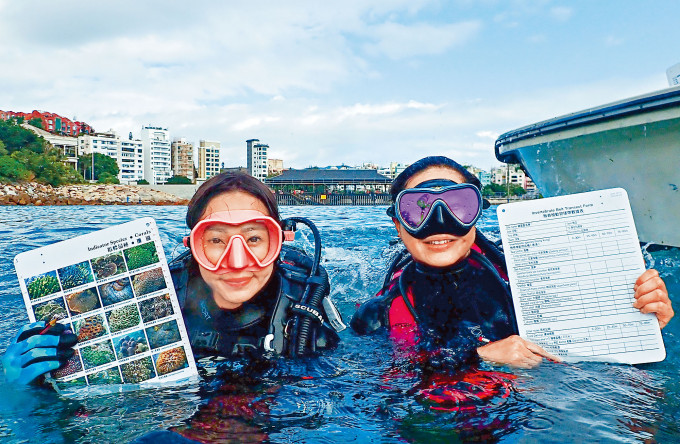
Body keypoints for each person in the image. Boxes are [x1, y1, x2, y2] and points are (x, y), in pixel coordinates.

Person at [2, 172, 344, 385]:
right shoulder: (159, 293)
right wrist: (21, 380)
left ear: (279, 242)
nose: (237, 262)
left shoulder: (305, 307)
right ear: (192, 247)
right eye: (215, 241)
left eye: (255, 239)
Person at [351, 155, 673, 369]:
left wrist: (637, 324)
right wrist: (479, 357)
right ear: (399, 224)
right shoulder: (377, 314)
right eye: (418, 209)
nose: (440, 223)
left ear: (477, 215)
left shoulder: (526, 278)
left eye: (458, 205)